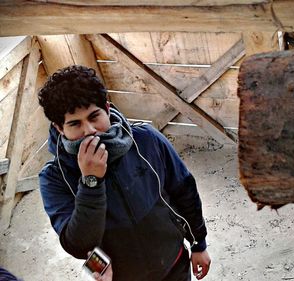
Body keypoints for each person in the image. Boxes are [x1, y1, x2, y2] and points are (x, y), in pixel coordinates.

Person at [37, 65, 211, 281]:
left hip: (174, 265)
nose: (89, 130)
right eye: (75, 124)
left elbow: (184, 191)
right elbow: (77, 244)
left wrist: (198, 244)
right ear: (59, 128)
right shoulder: (54, 178)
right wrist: (90, 181)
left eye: (94, 117)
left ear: (107, 109)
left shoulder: (147, 140)